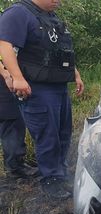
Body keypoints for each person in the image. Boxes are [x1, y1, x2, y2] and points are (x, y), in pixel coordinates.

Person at [0, 0, 84, 198]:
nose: (59, 1)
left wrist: (76, 74)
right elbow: (4, 45)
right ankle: (51, 180)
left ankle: (61, 174)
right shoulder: (19, 13)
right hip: (38, 88)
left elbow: (61, 51)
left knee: (63, 133)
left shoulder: (51, 17)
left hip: (59, 86)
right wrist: (17, 77)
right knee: (48, 136)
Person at [0, 58, 37, 178]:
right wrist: (6, 74)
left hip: (9, 71)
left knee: (14, 119)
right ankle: (15, 167)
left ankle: (15, 163)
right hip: (4, 75)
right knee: (12, 120)